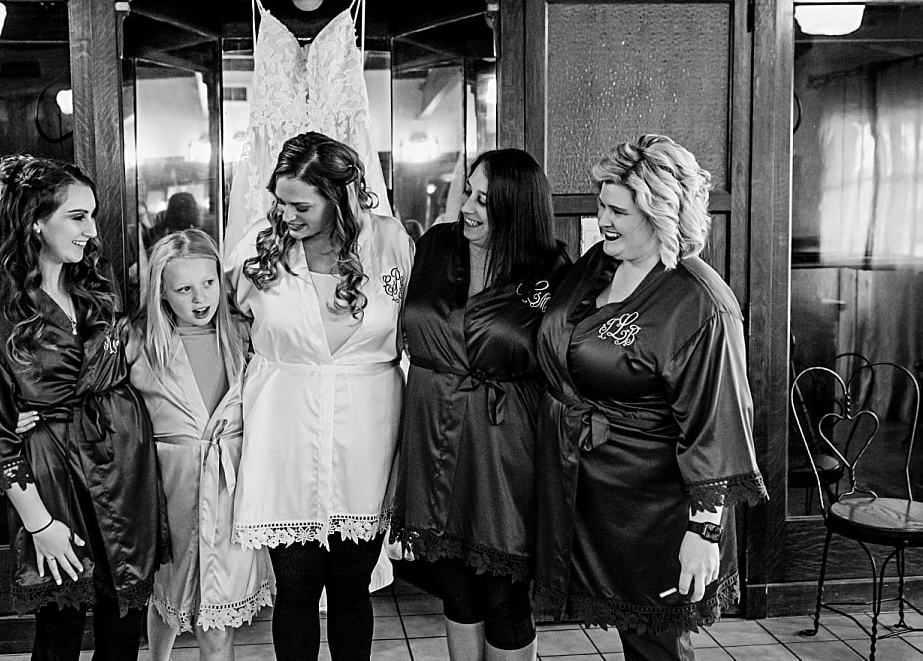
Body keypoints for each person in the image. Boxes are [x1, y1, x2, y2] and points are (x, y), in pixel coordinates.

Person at [533, 134, 768, 661]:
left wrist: (703, 531)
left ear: (661, 214)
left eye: (618, 210)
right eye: (601, 205)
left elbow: (719, 421)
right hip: (596, 494)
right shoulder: (600, 262)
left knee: (656, 649)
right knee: (632, 640)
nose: (603, 220)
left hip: (657, 509)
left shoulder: (698, 302)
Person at [20, 228, 275, 661]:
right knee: (163, 599)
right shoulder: (136, 341)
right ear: (161, 293)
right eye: (184, 289)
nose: (200, 299)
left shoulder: (245, 337)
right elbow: (85, 388)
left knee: (217, 619)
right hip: (161, 491)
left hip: (230, 490)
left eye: (209, 283)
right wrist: (34, 409)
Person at [0, 154, 165, 661]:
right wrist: (39, 525)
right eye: (77, 216)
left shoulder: (93, 286)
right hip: (53, 479)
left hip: (123, 464)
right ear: (35, 222)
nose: (92, 231)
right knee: (60, 628)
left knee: (125, 622)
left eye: (91, 215)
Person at [226, 131, 413, 661]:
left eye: (300, 204)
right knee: (298, 588)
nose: (285, 214)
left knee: (353, 587)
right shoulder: (257, 250)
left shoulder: (391, 242)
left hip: (369, 432)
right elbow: (219, 327)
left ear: (339, 196)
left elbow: (416, 325)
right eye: (279, 201)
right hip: (284, 430)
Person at [391, 148, 572, 660]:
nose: (467, 207)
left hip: (503, 441)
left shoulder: (551, 268)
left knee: (503, 591)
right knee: (454, 583)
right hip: (432, 428)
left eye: (484, 201)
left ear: (516, 208)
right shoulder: (433, 247)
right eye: (467, 192)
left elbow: (566, 360)